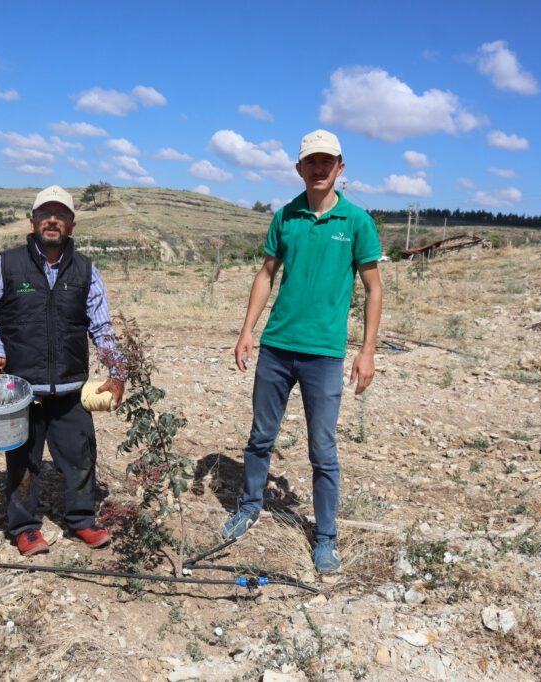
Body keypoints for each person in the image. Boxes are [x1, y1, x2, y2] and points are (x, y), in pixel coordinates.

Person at [222, 129, 383, 574]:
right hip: (276, 348)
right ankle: (250, 506)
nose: (318, 168)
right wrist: (247, 331)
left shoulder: (356, 222)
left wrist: (366, 351)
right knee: (260, 436)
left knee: (323, 449)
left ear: (340, 168)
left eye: (326, 161)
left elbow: (373, 289)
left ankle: (326, 537)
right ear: (298, 168)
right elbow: (265, 274)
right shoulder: (286, 217)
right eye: (310, 161)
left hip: (324, 354)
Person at [0, 184, 125, 557]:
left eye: (60, 215)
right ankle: (25, 527)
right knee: (23, 459)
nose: (52, 220)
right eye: (45, 214)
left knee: (80, 455)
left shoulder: (86, 270)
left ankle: (81, 520)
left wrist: (117, 370)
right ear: (33, 221)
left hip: (71, 387)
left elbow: (102, 326)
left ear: (72, 225)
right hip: (22, 388)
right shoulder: (7, 264)